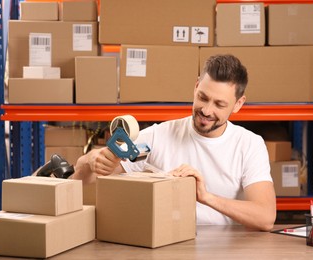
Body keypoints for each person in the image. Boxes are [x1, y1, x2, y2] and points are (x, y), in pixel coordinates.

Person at [72, 54, 276, 231]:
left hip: (224, 247)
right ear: (196, 86)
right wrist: (89, 161)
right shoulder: (157, 136)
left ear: (238, 104)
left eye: (219, 104)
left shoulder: (249, 144)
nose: (206, 110)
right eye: (203, 97)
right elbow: (84, 182)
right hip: (164, 241)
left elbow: (265, 218)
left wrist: (205, 197)